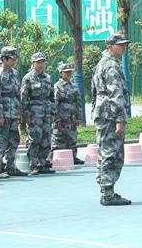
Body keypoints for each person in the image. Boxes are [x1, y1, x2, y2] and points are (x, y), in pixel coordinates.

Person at [91, 34, 132, 206]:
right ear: (110, 46)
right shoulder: (111, 66)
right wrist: (120, 120)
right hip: (110, 114)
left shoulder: (103, 63)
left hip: (103, 113)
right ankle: (107, 193)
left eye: (124, 45)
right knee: (112, 153)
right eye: (120, 45)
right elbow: (115, 94)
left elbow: (94, 92)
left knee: (104, 151)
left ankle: (105, 188)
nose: (124, 48)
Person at [0, 46, 27, 178]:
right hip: (3, 113)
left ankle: (11, 167)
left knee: (14, 140)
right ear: (4, 59)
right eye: (12, 59)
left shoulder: (14, 73)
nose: (14, 61)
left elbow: (18, 94)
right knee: (0, 141)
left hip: (14, 113)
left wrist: (20, 113)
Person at [21, 52, 55, 175]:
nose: (41, 65)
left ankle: (42, 163)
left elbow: (52, 96)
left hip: (46, 113)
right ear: (33, 63)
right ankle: (33, 164)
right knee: (35, 138)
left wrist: (53, 113)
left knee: (46, 139)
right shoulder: (28, 78)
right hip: (34, 114)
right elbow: (24, 98)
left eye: (43, 62)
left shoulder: (48, 78)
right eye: (38, 62)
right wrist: (26, 115)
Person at [52, 63, 84, 164]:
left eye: (70, 72)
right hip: (61, 118)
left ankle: (73, 156)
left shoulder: (74, 86)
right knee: (59, 138)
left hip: (72, 118)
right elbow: (54, 104)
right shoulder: (57, 87)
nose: (69, 74)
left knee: (72, 137)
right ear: (61, 73)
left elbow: (78, 102)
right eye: (66, 72)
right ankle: (56, 157)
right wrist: (56, 119)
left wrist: (79, 117)